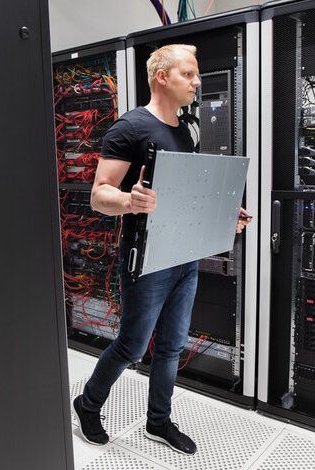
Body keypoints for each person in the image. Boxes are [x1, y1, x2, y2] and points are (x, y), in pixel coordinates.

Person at [73, 44, 251, 454]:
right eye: (188, 74)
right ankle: (87, 404)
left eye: (196, 74)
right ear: (161, 77)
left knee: (172, 345)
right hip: (147, 258)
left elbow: (185, 196)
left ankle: (158, 422)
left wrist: (225, 214)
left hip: (183, 254)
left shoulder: (188, 129)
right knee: (133, 346)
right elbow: (99, 196)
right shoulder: (130, 127)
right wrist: (128, 201)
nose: (196, 81)